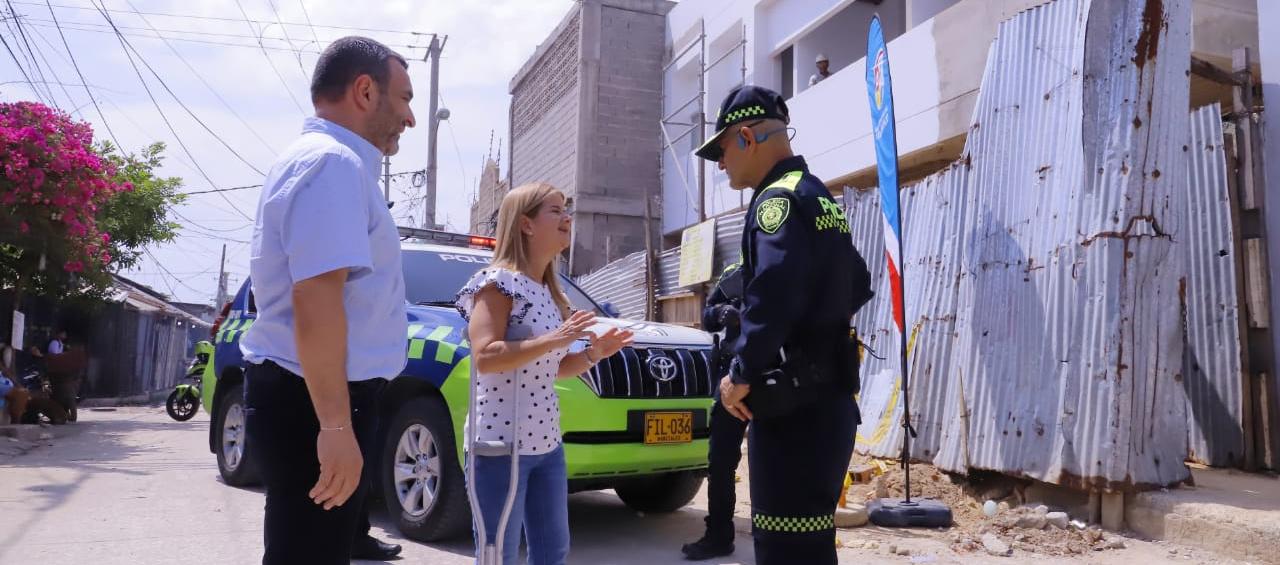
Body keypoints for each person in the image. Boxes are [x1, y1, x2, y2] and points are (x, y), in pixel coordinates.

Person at [237, 36, 415, 564]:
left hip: (313, 396)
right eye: (404, 98)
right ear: (365, 91)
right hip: (313, 402)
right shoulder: (332, 164)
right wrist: (336, 426)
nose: (408, 118)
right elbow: (316, 298)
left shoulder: (331, 163)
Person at [693, 85, 874, 564]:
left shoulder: (776, 201)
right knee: (811, 547)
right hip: (829, 404)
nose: (721, 164)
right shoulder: (816, 195)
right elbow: (858, 281)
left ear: (746, 137)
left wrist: (740, 374)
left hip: (793, 413)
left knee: (784, 549)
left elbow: (773, 295)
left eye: (722, 150)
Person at [457, 182, 634, 565]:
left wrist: (593, 353)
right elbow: (485, 356)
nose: (567, 217)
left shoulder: (554, 294)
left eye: (566, 209)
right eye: (555, 210)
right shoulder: (497, 283)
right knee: (497, 556)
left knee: (552, 553)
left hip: (547, 446)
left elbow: (553, 368)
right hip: (500, 447)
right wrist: (555, 338)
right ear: (526, 224)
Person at [681, 262, 748, 560]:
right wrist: (722, 313)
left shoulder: (786, 266)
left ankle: (777, 535)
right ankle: (719, 535)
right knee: (721, 461)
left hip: (773, 376)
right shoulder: (736, 274)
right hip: (731, 379)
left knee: (775, 462)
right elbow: (707, 317)